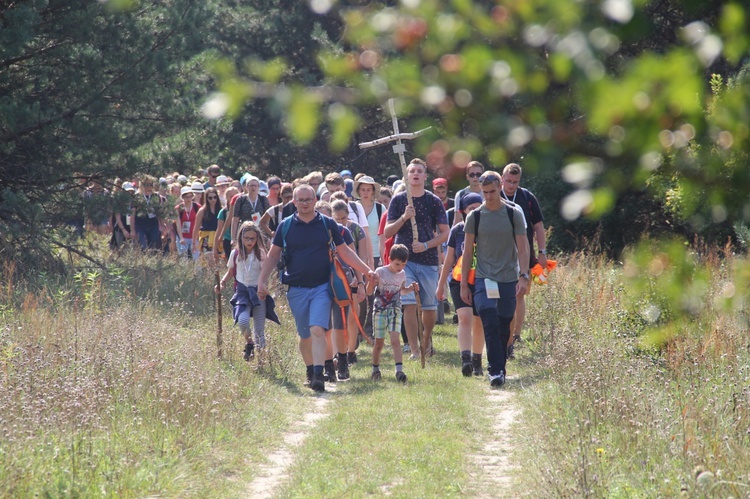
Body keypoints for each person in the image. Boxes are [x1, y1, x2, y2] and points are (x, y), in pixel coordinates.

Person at [257, 184, 377, 392]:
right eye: (300, 200)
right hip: (296, 288)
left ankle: (318, 374)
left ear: (315, 200)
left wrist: (366, 271)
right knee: (305, 335)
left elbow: (346, 253)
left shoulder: (327, 224)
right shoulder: (286, 226)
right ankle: (310, 369)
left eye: (308, 199)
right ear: (293, 202)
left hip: (323, 286)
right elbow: (273, 255)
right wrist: (262, 281)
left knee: (318, 329)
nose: (304, 203)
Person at [460, 171, 530, 387]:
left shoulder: (513, 214)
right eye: (484, 192)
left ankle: (499, 365)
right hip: (484, 277)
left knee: (504, 322)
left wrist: (524, 276)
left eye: (492, 192)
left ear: (500, 187)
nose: (488, 196)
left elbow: (523, 246)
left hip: (509, 277)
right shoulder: (475, 216)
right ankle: (495, 371)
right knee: (488, 316)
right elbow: (468, 252)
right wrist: (464, 284)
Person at [384, 158, 449, 359]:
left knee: (429, 306)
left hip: (428, 259)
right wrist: (404, 217)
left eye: (419, 171)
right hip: (405, 260)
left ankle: (426, 342)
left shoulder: (433, 201)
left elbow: (445, 233)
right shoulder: (398, 200)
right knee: (409, 303)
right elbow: (387, 232)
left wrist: (427, 245)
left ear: (425, 176)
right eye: (411, 171)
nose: (415, 174)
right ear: (406, 175)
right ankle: (413, 348)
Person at [500, 163, 547, 357]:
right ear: (502, 179)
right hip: (500, 254)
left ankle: (516, 334)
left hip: (524, 253)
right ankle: (501, 331)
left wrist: (543, 251)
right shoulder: (494, 195)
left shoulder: (527, 198)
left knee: (519, 294)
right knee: (500, 295)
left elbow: (538, 226)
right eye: (508, 181)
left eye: (515, 182)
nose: (511, 185)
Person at [436, 192, 485, 376]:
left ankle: (477, 359)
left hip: (481, 279)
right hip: (459, 280)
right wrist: (441, 285)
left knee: (479, 321)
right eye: (472, 208)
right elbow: (449, 260)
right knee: (465, 317)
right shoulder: (457, 230)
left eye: (479, 207)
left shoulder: (487, 228)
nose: (476, 211)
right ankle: (466, 359)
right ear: (463, 211)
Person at [218, 221, 279, 363]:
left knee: (259, 329)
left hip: (258, 294)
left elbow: (265, 273)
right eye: (246, 238)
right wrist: (222, 283)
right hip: (242, 293)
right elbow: (231, 272)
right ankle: (249, 342)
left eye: (253, 238)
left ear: (257, 238)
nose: (250, 241)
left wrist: (264, 287)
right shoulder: (235, 253)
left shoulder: (261, 254)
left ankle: (261, 361)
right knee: (243, 320)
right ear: (241, 238)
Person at [366, 243, 417, 383]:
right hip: (380, 310)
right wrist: (371, 282)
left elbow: (401, 291)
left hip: (395, 310)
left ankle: (399, 371)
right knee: (379, 344)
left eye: (403, 264)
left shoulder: (402, 274)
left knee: (395, 340)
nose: (400, 268)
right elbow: (369, 292)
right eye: (397, 264)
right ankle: (375, 369)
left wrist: (410, 289)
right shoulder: (381, 272)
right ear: (389, 259)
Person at [331, 199, 368, 365]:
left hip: (352, 275)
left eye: (343, 218)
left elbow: (359, 256)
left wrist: (361, 281)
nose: (340, 221)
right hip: (335, 277)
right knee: (336, 318)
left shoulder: (353, 230)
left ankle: (351, 350)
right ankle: (338, 352)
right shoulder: (329, 229)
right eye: (337, 218)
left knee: (353, 315)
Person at [353, 175, 386, 339]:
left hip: (375, 257)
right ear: (358, 191)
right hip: (357, 256)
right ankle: (358, 330)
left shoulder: (381, 209)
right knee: (359, 294)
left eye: (369, 190)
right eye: (363, 189)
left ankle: (370, 330)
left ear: (374, 192)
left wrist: (382, 258)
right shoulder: (352, 207)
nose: (366, 193)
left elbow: (383, 236)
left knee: (373, 295)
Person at [232, 175, 271, 245]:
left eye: (256, 186)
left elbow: (268, 219)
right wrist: (233, 238)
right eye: (251, 185)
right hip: (245, 233)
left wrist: (269, 235)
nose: (253, 187)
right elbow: (235, 220)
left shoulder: (263, 200)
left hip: (261, 233)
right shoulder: (241, 200)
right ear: (246, 187)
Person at [131, 175, 167, 251]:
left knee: (153, 246)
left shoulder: (156, 196)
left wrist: (163, 226)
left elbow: (160, 213)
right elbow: (132, 214)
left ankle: (152, 261)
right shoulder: (136, 197)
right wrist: (132, 230)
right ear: (142, 185)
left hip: (153, 225)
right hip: (140, 225)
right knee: (142, 246)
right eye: (147, 185)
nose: (149, 187)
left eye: (151, 185)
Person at [192, 186, 221, 265]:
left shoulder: (221, 210)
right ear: (206, 198)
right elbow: (196, 227)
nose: (213, 200)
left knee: (219, 263)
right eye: (210, 198)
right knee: (210, 262)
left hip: (218, 238)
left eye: (215, 197)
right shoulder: (202, 211)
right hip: (206, 238)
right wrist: (194, 243)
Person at [453, 161, 484, 225]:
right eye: (472, 175)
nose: (475, 177)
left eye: (478, 175)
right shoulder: (461, 194)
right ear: (467, 177)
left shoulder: (488, 193)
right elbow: (457, 219)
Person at [175, 186, 200, 260]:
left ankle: (197, 272)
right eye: (186, 197)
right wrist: (181, 238)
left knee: (196, 259)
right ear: (182, 197)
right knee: (183, 259)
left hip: (194, 237)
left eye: (190, 196)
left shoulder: (197, 207)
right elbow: (178, 224)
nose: (188, 199)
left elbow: (200, 223)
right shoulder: (178, 208)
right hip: (183, 236)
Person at [214, 186, 239, 260]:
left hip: (240, 239)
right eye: (231, 196)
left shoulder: (242, 210)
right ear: (227, 198)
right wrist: (215, 248)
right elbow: (219, 229)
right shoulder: (223, 212)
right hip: (228, 239)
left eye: (236, 196)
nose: (234, 198)